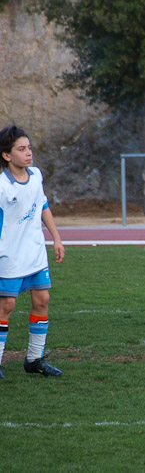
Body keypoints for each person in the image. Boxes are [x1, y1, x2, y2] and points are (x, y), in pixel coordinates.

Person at [0, 126, 65, 379]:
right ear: (7, 155)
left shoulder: (36, 175)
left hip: (36, 253)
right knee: (6, 305)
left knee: (43, 300)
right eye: (21, 149)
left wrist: (56, 238)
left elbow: (43, 206)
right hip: (9, 256)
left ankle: (34, 359)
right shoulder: (3, 186)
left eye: (29, 148)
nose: (28, 153)